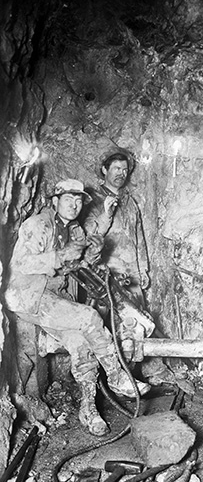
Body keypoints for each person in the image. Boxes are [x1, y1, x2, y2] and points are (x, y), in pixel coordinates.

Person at [4, 179, 150, 438]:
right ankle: (116, 376)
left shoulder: (76, 231)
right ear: (55, 201)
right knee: (89, 316)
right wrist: (61, 256)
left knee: (80, 342)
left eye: (79, 199)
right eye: (69, 199)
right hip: (29, 297)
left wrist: (93, 256)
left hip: (54, 299)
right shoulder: (39, 225)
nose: (74, 204)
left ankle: (88, 409)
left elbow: (78, 264)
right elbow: (21, 264)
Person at [84, 152, 175, 385]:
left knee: (138, 325)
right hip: (107, 275)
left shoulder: (129, 202)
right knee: (110, 327)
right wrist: (105, 214)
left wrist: (142, 268)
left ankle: (144, 373)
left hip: (130, 273)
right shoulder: (92, 202)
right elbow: (89, 239)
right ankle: (110, 379)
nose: (120, 174)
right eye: (115, 169)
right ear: (104, 170)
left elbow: (138, 238)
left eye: (124, 170)